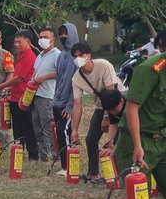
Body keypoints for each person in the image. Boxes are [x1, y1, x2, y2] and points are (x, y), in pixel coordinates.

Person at [113, 31, 166, 199]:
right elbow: (131, 108)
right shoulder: (150, 69)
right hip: (137, 141)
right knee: (138, 198)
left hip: (161, 140)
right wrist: (137, 146)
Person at [69, 42, 125, 181]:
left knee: (116, 141)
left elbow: (110, 91)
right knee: (90, 140)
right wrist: (74, 130)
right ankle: (93, 173)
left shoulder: (103, 65)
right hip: (101, 106)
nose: (77, 58)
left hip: (118, 103)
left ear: (88, 55)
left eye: (80, 55)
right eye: (74, 56)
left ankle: (117, 174)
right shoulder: (76, 78)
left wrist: (106, 117)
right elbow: (77, 104)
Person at [0, 30, 38, 161]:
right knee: (18, 127)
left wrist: (0, 86)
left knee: (27, 127)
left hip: (24, 98)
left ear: (28, 41)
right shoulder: (20, 56)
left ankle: (33, 155)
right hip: (15, 97)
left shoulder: (29, 57)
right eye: (15, 41)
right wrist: (9, 88)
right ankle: (18, 151)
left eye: (19, 42)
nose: (16, 44)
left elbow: (18, 78)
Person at [52, 23, 79, 171]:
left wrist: (70, 106)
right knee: (59, 133)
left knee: (64, 133)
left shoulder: (76, 56)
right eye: (61, 34)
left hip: (67, 104)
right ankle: (64, 166)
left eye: (66, 34)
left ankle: (69, 167)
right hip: (57, 102)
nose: (63, 37)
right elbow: (59, 80)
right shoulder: (62, 55)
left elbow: (76, 84)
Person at [30, 27, 60, 163]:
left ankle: (56, 156)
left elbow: (61, 72)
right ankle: (43, 156)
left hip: (48, 96)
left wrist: (45, 77)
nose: (42, 40)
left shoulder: (57, 55)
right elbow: (35, 73)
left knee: (49, 128)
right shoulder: (40, 55)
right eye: (40, 37)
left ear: (52, 39)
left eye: (45, 37)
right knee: (38, 128)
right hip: (36, 95)